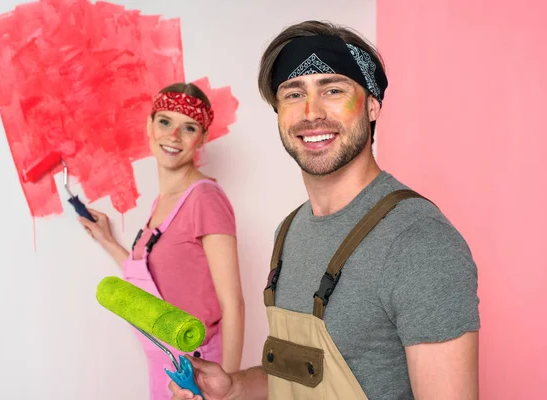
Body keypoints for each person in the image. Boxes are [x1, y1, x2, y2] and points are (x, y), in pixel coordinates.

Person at [169, 20, 480, 400]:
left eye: (333, 90)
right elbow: (296, 376)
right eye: (293, 93)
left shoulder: (418, 242)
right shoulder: (289, 231)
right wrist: (233, 387)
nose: (310, 111)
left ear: (372, 106)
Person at [79, 82, 245, 399]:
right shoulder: (162, 202)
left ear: (203, 137)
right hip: (162, 364)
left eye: (189, 127)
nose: (174, 136)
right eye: (165, 122)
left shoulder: (205, 199)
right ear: (150, 126)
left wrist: (230, 388)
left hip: (196, 371)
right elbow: (152, 280)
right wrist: (107, 240)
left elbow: (233, 304)